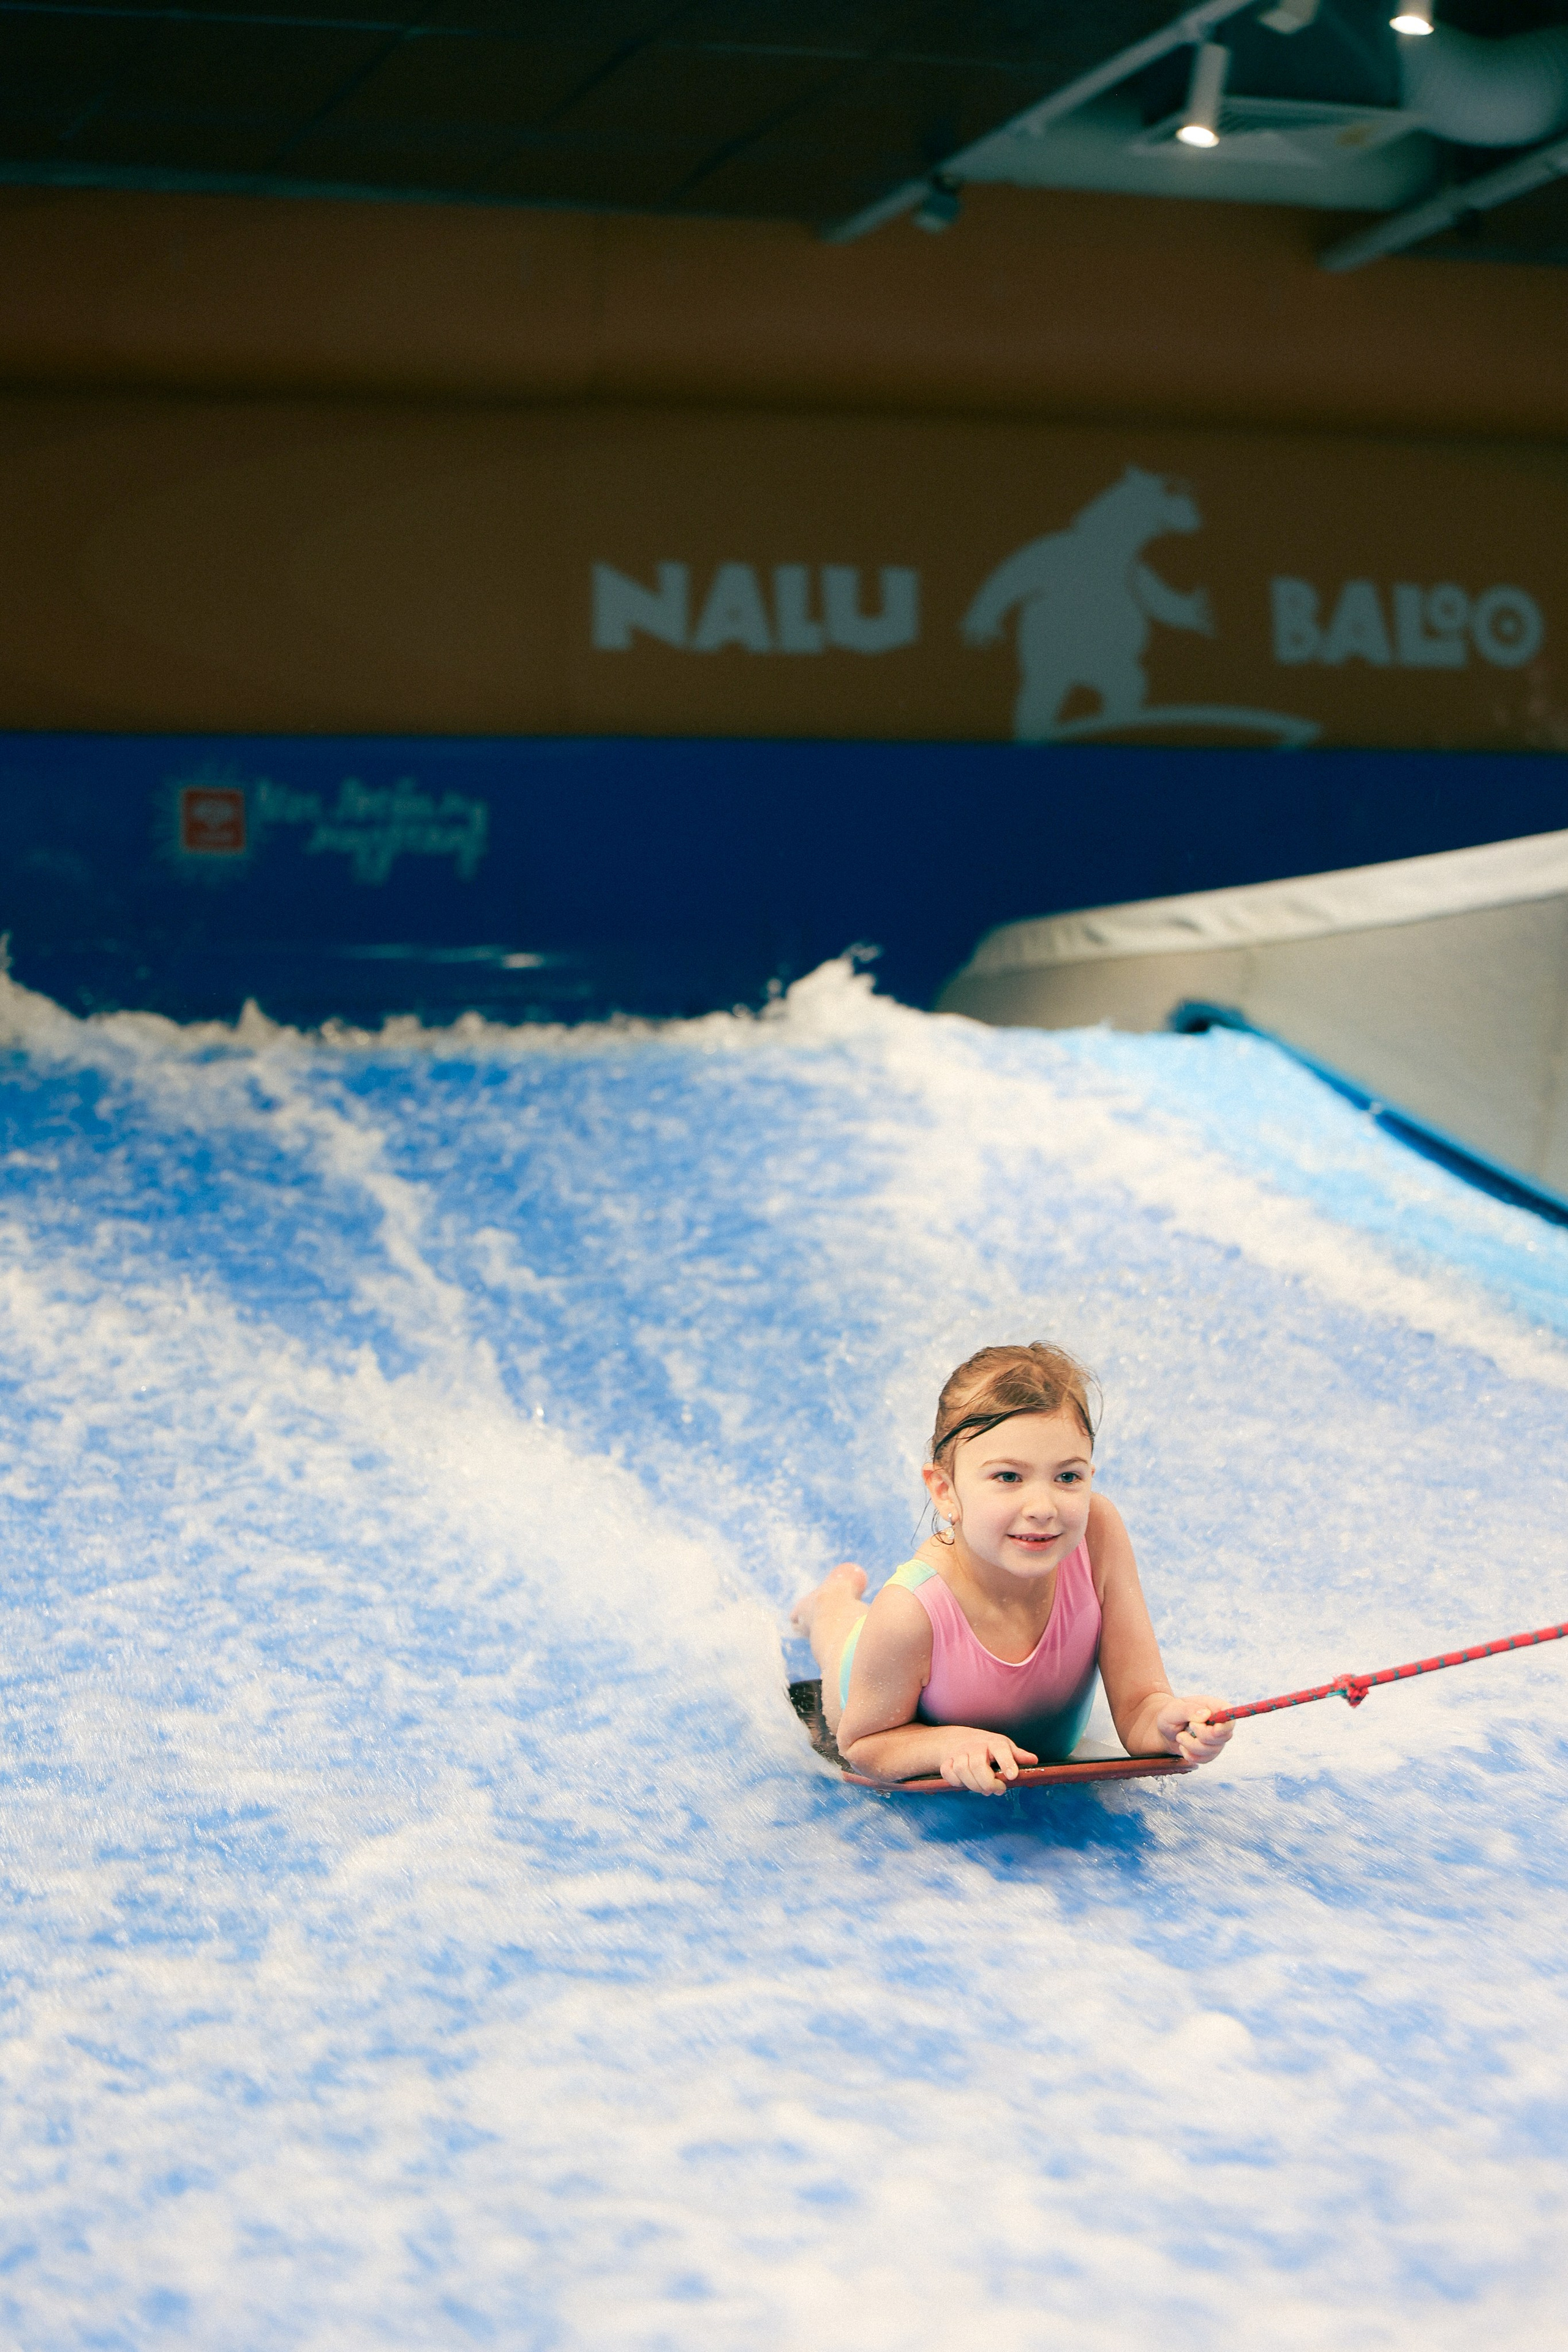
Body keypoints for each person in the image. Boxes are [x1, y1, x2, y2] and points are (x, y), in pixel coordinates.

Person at [791, 1341, 1234, 1794]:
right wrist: (947, 1745)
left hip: (913, 1651)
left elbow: (1140, 1706)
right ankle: (829, 1601)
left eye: (1067, 1477)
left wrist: (1171, 1724)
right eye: (1008, 1477)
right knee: (843, 1632)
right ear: (945, 1490)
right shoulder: (908, 1610)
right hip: (873, 1676)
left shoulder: (1097, 1534)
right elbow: (864, 1744)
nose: (1042, 1508)